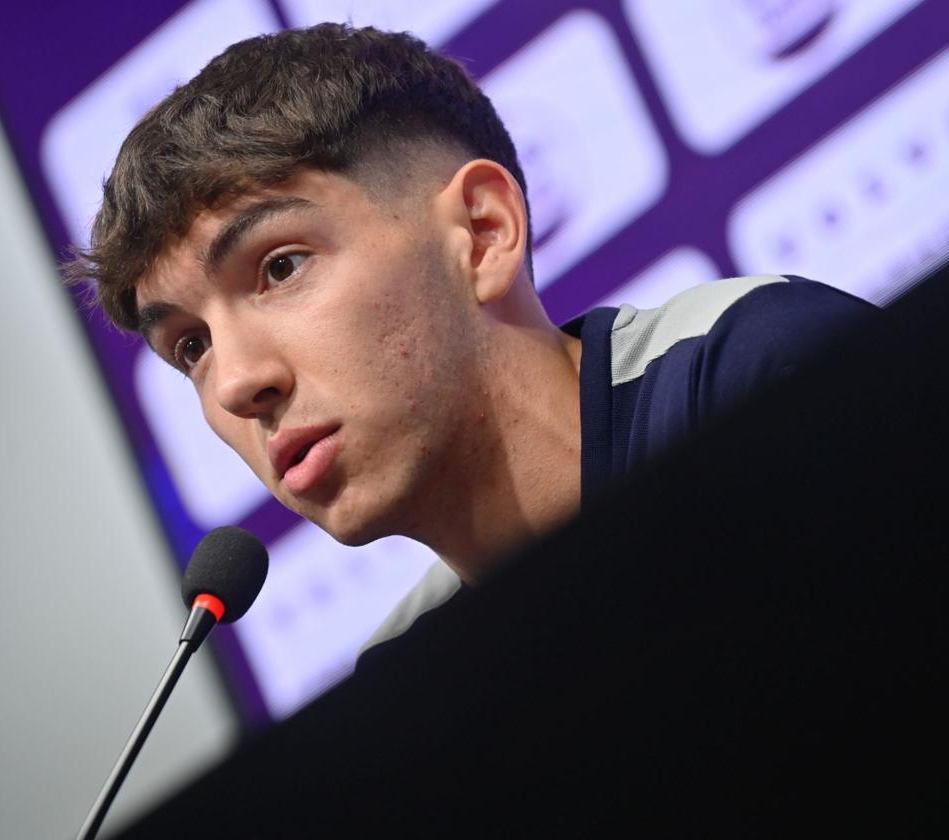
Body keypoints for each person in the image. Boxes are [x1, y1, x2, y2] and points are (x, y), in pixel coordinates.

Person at [68, 22, 874, 647]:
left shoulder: (761, 378)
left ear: (483, 235)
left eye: (279, 268)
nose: (238, 384)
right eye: (191, 348)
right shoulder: (405, 684)